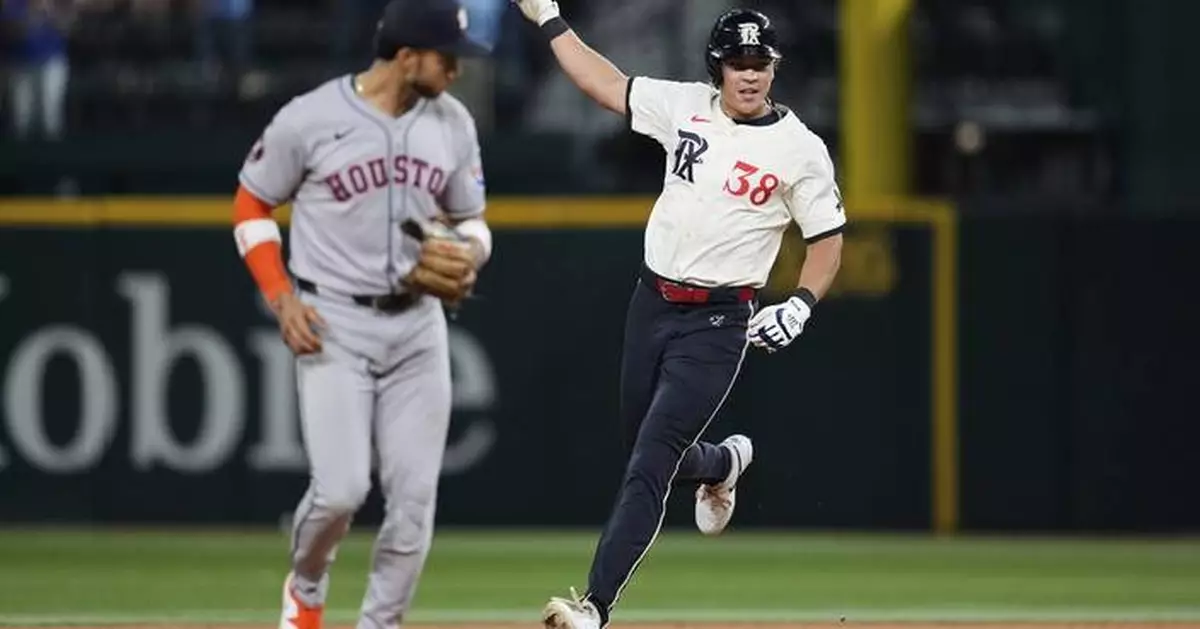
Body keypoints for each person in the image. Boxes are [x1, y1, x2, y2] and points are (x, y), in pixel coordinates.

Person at [509, 2, 847, 628]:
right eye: (738, 62)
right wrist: (551, 20)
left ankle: (595, 607)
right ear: (717, 65)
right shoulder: (685, 104)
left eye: (760, 63)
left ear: (775, 68)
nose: (749, 75)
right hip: (653, 303)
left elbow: (827, 240)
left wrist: (799, 304)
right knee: (645, 448)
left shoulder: (800, 149)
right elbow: (605, 84)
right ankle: (721, 463)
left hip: (719, 321)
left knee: (649, 463)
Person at [228, 1, 492, 628]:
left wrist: (473, 251)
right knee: (340, 492)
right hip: (333, 322)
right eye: (445, 57)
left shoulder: (452, 123)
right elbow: (251, 204)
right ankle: (308, 583)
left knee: (413, 503)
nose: (455, 71)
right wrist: (280, 294)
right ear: (406, 57)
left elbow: (471, 219)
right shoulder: (311, 118)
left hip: (418, 327)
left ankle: (380, 624)